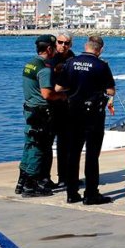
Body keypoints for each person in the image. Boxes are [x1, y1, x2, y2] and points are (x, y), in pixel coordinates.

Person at [57, 35, 116, 205]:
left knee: (73, 152)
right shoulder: (101, 65)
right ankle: (91, 193)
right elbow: (110, 91)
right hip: (93, 114)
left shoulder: (71, 62)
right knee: (92, 154)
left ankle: (71, 192)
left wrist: (75, 87)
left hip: (73, 111)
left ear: (86, 46)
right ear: (100, 50)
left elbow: (58, 87)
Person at [17, 35, 67, 197]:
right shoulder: (44, 69)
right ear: (49, 49)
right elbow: (47, 94)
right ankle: (31, 186)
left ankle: (22, 182)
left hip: (30, 109)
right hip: (41, 112)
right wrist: (62, 96)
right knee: (39, 148)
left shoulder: (30, 64)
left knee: (30, 145)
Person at [42, 32, 76, 189]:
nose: (63, 45)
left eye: (66, 43)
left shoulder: (72, 58)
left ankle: (64, 177)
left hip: (67, 107)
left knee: (65, 144)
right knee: (47, 143)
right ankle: (44, 178)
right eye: (60, 42)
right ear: (56, 44)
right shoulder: (49, 58)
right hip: (51, 105)